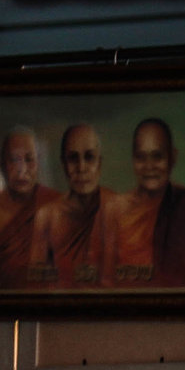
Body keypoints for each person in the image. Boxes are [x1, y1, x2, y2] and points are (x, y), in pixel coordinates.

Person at [105, 116, 185, 290]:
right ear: (133, 160)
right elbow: (106, 279)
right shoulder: (115, 209)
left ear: (172, 157)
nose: (149, 166)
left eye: (157, 156)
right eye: (141, 157)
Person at [0, 128, 58, 290]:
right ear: (2, 164)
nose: (22, 170)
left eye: (29, 160)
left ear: (39, 163)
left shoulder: (57, 204)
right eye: (14, 160)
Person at [48, 123, 115, 291]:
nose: (81, 168)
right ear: (63, 164)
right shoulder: (48, 216)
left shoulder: (121, 210)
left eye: (89, 157)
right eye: (72, 158)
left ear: (99, 163)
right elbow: (41, 284)